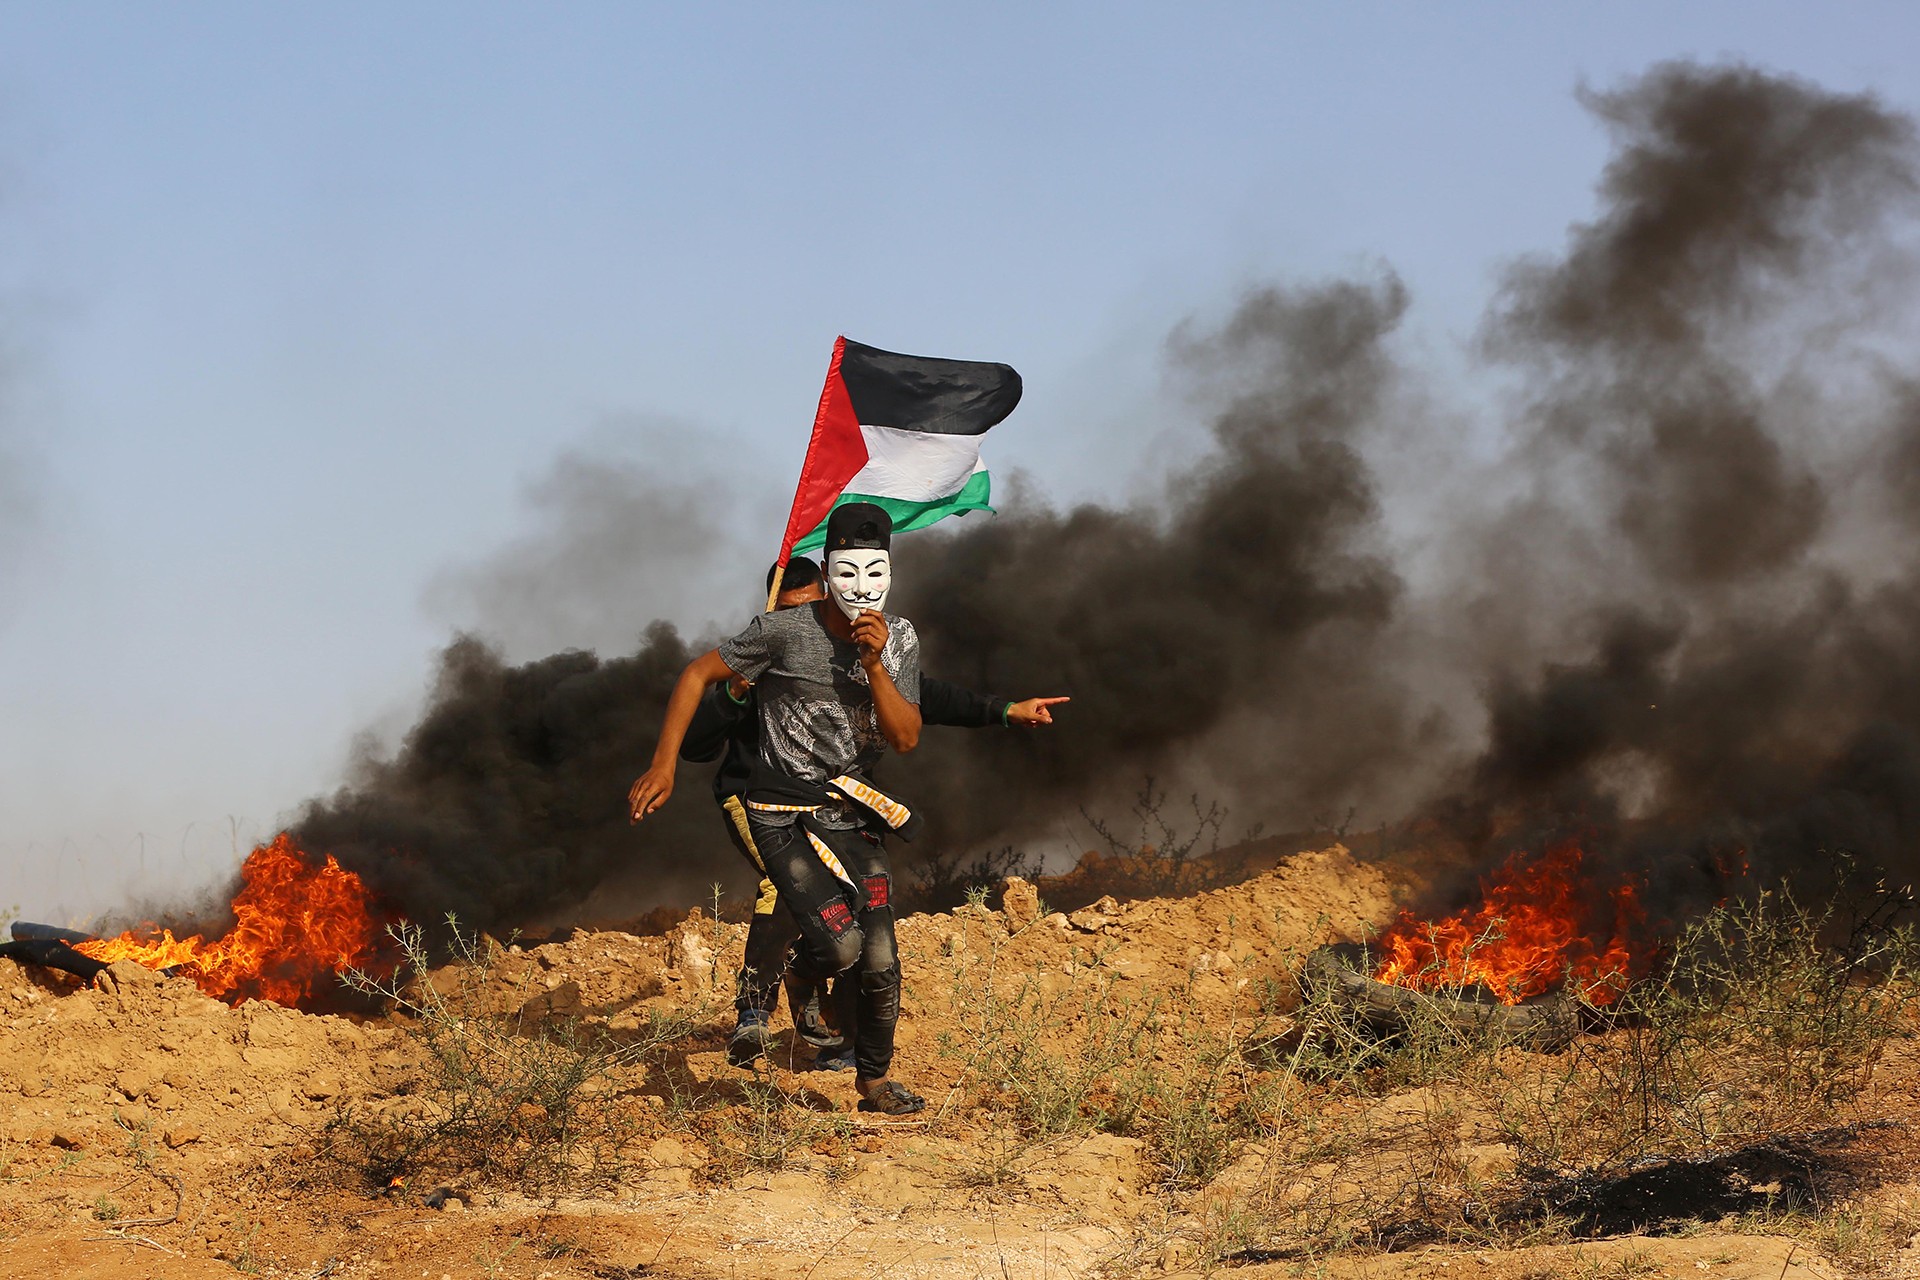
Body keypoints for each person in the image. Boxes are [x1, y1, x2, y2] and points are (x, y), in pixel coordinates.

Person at [679, 556, 1068, 1071]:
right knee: (783, 888)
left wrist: (1002, 710)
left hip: (833, 803)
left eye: (820, 604)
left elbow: (921, 694)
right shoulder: (770, 648)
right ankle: (754, 1012)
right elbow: (697, 746)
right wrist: (732, 693)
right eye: (800, 610)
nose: (819, 617)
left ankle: (840, 1031)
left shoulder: (849, 648)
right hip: (757, 798)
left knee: (858, 912)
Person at [630, 503, 930, 1115]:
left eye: (876, 574)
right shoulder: (781, 632)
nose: (861, 588)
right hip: (780, 812)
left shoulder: (898, 640)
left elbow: (905, 737)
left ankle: (872, 1084)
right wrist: (663, 764)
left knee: (880, 960)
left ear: (891, 572)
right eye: (848, 572)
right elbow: (695, 676)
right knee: (842, 948)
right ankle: (793, 974)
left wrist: (874, 665)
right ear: (827, 568)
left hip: (853, 814)